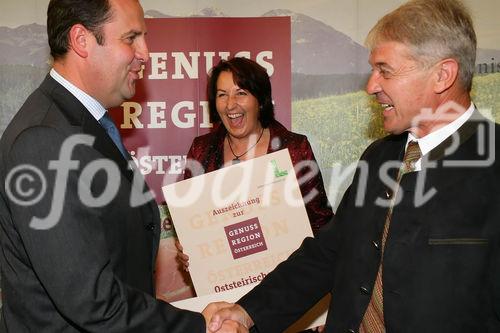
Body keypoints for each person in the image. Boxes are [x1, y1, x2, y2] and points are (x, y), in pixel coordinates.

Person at [206, 0, 500, 332]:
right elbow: (328, 253)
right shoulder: (379, 157)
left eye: (385, 71)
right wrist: (249, 312)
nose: (371, 86)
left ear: (442, 75)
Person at [0, 1, 246, 332]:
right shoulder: (44, 140)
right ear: (81, 40)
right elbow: (92, 300)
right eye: (131, 38)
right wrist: (197, 327)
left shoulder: (83, 123)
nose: (145, 53)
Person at [183, 57, 333, 234]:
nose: (230, 105)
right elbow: (190, 222)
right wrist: (187, 247)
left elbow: (321, 222)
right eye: (222, 94)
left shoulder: (295, 149)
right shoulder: (200, 150)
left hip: (289, 261)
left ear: (261, 100)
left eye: (241, 93)